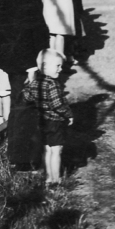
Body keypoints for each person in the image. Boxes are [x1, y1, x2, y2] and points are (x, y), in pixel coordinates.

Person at [0, 0, 49, 172]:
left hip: (25, 54)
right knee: (24, 105)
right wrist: (30, 65)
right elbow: (18, 29)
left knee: (24, 103)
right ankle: (21, 160)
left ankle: (24, 155)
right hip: (21, 57)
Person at [22, 49, 73, 186]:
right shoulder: (52, 84)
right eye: (57, 66)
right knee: (56, 150)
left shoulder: (36, 83)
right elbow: (57, 105)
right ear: (45, 66)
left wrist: (29, 83)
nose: (60, 69)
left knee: (47, 149)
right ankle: (57, 179)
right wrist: (69, 115)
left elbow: (27, 97)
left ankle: (49, 178)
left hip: (42, 121)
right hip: (55, 122)